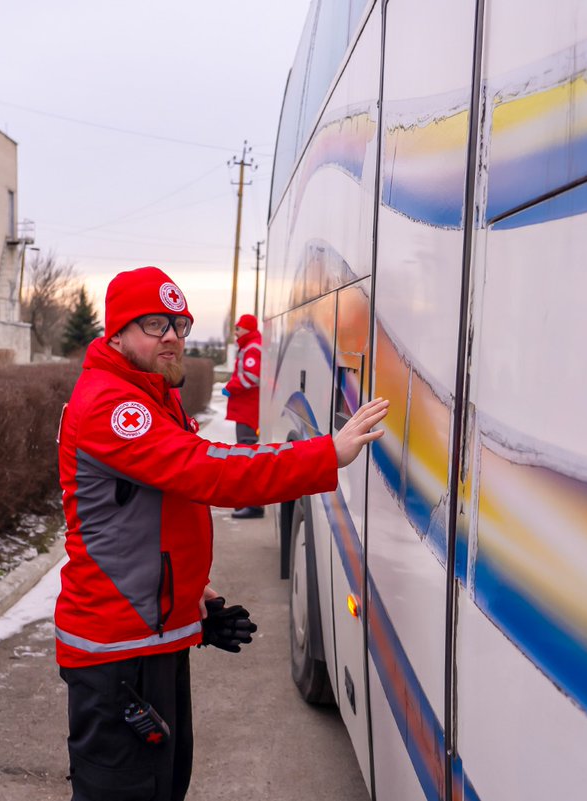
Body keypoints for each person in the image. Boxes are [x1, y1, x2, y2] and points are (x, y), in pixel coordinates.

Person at [55, 266, 387, 801]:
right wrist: (326, 453)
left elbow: (152, 511)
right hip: (118, 652)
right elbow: (212, 472)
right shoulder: (112, 407)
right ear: (116, 334)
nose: (171, 335)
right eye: (155, 323)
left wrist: (191, 597)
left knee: (163, 786)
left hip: (149, 637)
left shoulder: (149, 395)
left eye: (179, 324)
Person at [223, 313, 264, 518]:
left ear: (247, 329)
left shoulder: (252, 347)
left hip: (249, 411)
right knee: (247, 454)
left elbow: (250, 377)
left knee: (248, 456)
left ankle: (254, 505)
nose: (236, 331)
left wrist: (230, 388)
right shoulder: (250, 345)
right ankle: (249, 502)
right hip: (247, 410)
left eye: (238, 328)